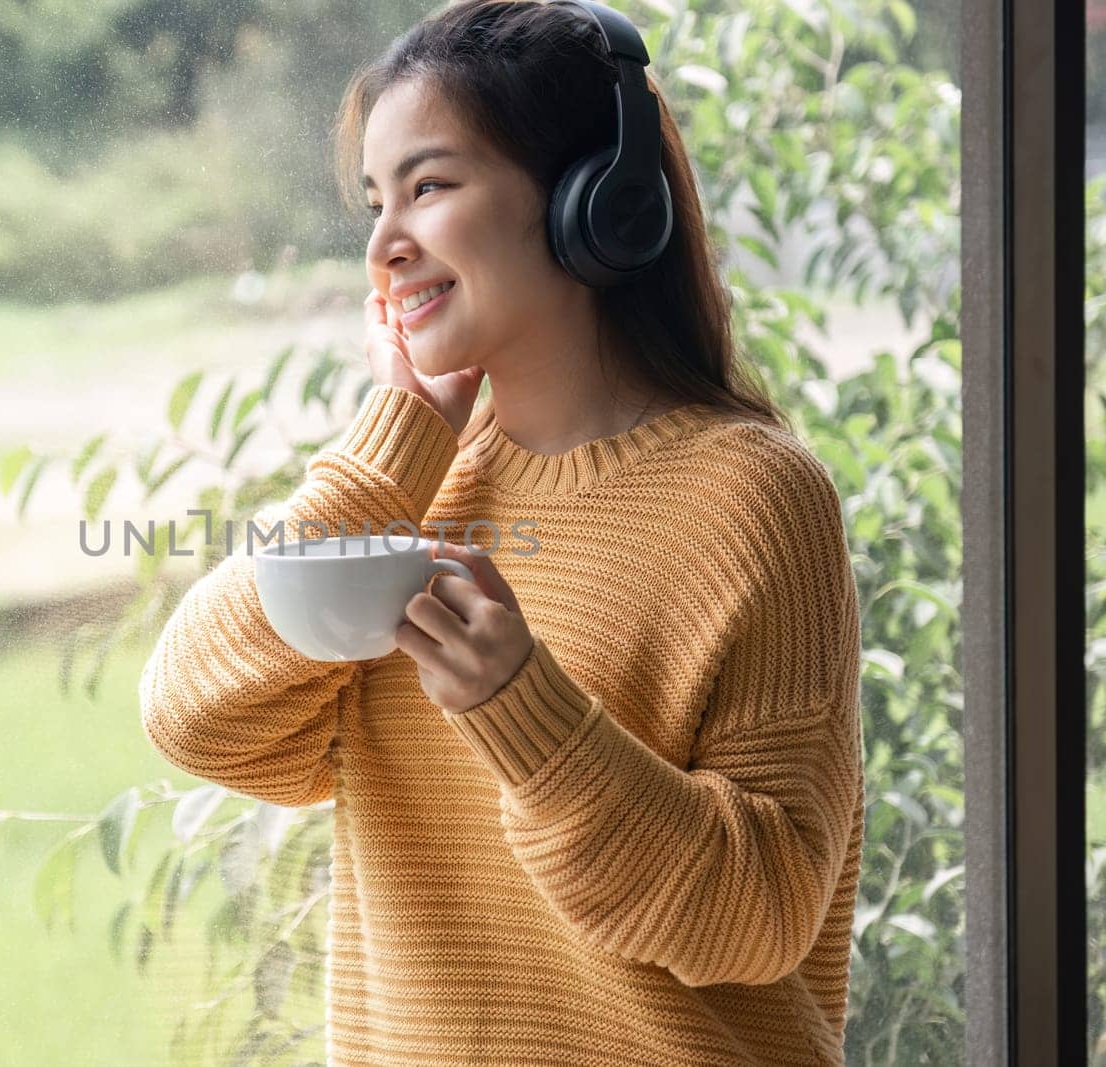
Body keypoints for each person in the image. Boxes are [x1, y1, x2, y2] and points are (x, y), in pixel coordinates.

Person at [139, 1, 864, 1063]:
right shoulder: (413, 490)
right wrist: (398, 445)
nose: (386, 243)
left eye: (429, 187)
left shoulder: (752, 498)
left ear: (596, 205)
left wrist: (519, 711)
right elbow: (196, 717)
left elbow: (758, 915)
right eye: (374, 201)